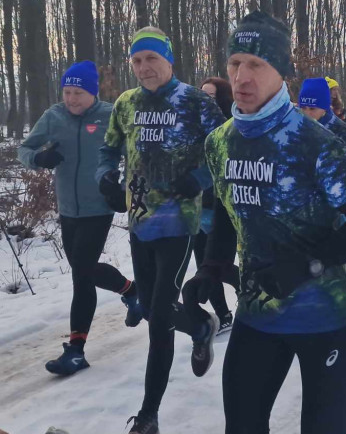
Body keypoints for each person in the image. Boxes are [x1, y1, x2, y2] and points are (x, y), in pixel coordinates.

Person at [186, 10, 346, 434]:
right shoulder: (220, 141)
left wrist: (305, 266)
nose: (242, 77)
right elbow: (228, 215)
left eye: (256, 64)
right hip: (257, 312)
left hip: (322, 315)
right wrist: (212, 268)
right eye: (235, 64)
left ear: (281, 73)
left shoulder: (312, 142)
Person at [95, 26, 226, 434]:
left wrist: (201, 179)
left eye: (152, 58)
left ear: (169, 59)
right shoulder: (125, 103)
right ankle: (200, 325)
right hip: (139, 221)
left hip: (179, 221)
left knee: (157, 321)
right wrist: (105, 177)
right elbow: (109, 148)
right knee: (153, 308)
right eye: (137, 60)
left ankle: (149, 414)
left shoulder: (194, 102)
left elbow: (227, 148)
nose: (144, 67)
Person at [19, 60, 142, 376]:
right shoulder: (54, 116)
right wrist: (39, 158)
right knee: (81, 269)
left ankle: (75, 350)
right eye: (67, 91)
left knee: (82, 272)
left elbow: (136, 152)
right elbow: (25, 150)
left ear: (93, 92)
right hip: (67, 208)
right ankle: (131, 291)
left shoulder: (110, 115)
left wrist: (125, 188)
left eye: (78, 92)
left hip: (98, 206)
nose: (71, 99)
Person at [195, 76, 236, 334]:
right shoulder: (190, 125)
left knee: (222, 264)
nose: (204, 101)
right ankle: (223, 313)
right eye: (202, 96)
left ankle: (248, 289)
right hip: (197, 205)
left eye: (210, 96)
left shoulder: (230, 126)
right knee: (205, 264)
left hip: (224, 204)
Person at [300, 77, 346, 161]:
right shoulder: (295, 125)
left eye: (312, 109)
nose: (308, 113)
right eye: (303, 108)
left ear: (324, 108)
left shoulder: (338, 128)